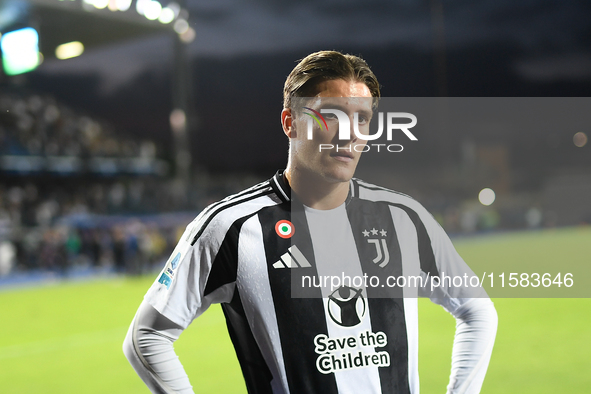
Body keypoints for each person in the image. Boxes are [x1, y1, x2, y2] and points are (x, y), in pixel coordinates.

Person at [123, 50, 498, 394]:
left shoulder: (403, 217)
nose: (350, 132)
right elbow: (146, 337)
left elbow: (476, 309)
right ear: (290, 122)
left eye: (362, 118)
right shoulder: (230, 228)